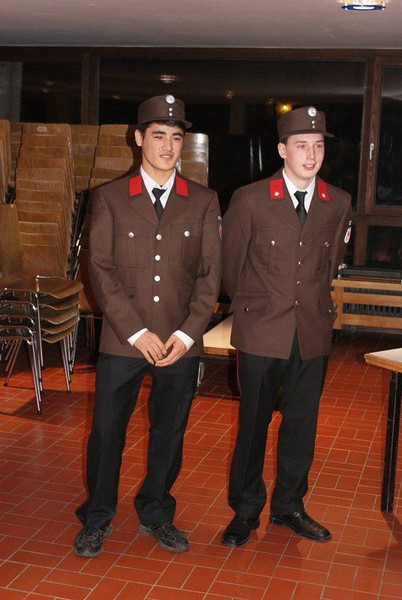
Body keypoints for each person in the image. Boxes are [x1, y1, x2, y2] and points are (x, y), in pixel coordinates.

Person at [74, 94, 222, 557]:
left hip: (179, 341)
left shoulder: (202, 200)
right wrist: (137, 332)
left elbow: (210, 276)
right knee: (106, 432)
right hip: (125, 339)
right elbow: (100, 269)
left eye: (176, 137)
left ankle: (156, 512)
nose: (168, 146)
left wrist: (186, 334)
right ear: (138, 138)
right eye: (158, 136)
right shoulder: (111, 197)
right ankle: (97, 515)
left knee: (170, 432)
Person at [221, 106, 352, 547]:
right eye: (301, 146)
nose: (311, 155)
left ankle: (289, 505)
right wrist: (257, 307)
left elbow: (329, 266)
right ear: (282, 150)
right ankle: (245, 509)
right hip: (261, 331)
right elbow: (231, 268)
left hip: (311, 331)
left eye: (318, 146)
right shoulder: (250, 199)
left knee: (302, 425)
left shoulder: (338, 202)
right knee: (253, 424)